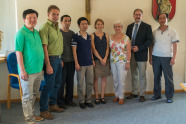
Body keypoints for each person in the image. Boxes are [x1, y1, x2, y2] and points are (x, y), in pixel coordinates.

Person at [15, 9, 44, 124]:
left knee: (34, 94)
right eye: (29, 18)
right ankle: (28, 119)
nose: (32, 20)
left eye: (34, 18)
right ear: (24, 19)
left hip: (38, 70)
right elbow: (18, 52)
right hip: (27, 71)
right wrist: (22, 70)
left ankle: (31, 114)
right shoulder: (20, 33)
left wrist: (41, 67)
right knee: (27, 96)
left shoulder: (36, 32)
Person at [39, 5, 64, 120]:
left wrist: (61, 59)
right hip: (51, 59)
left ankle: (52, 104)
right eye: (53, 14)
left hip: (58, 59)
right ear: (48, 15)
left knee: (57, 83)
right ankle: (43, 110)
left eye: (57, 14)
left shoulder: (56, 27)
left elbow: (57, 45)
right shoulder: (45, 27)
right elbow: (45, 48)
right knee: (48, 85)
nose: (56, 16)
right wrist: (48, 64)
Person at [149, 13, 179, 103]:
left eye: (163, 18)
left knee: (168, 78)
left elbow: (175, 45)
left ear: (167, 19)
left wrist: (174, 58)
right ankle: (157, 95)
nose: (162, 20)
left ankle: (169, 97)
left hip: (167, 58)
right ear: (158, 20)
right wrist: (150, 57)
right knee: (156, 77)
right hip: (156, 57)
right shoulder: (154, 32)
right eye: (160, 18)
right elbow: (151, 45)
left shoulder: (173, 31)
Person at [126, 8, 153, 102]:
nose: (137, 16)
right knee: (133, 74)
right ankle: (134, 93)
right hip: (131, 54)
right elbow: (127, 40)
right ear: (133, 15)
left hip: (141, 54)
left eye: (139, 14)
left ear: (142, 16)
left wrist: (139, 48)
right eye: (136, 14)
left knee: (142, 75)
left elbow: (150, 41)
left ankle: (142, 94)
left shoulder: (147, 27)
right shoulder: (129, 26)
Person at [71, 17, 94, 109]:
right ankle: (81, 101)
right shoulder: (75, 37)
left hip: (89, 64)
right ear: (78, 25)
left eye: (86, 24)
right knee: (80, 83)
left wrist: (92, 60)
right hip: (80, 64)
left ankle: (88, 100)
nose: (85, 26)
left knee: (89, 83)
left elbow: (91, 50)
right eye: (83, 24)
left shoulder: (89, 36)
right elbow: (74, 52)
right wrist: (76, 63)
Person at [57, 15, 76, 109]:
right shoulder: (58, 33)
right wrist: (60, 59)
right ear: (61, 22)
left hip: (71, 61)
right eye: (65, 21)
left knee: (70, 82)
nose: (67, 22)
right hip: (62, 61)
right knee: (61, 82)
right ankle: (60, 102)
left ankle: (69, 100)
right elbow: (56, 48)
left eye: (69, 21)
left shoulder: (72, 33)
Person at [110, 21, 131, 105]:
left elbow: (129, 51)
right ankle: (117, 95)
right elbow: (108, 50)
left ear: (122, 28)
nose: (117, 28)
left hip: (123, 61)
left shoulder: (126, 38)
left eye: (119, 26)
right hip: (113, 61)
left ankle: (121, 97)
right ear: (114, 28)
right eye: (115, 26)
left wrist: (128, 62)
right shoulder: (110, 37)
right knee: (115, 79)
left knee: (121, 80)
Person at [91, 18, 110, 104]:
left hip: (105, 60)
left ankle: (102, 96)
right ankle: (97, 97)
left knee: (104, 78)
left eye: (101, 24)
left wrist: (105, 58)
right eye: (98, 24)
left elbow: (107, 48)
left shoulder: (106, 35)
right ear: (95, 25)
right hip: (96, 60)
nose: (100, 25)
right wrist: (100, 59)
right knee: (95, 78)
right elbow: (93, 49)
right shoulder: (92, 35)